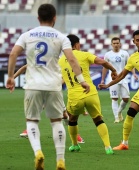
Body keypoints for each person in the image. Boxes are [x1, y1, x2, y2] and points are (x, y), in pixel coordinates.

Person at [5, 4, 90, 170]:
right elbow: (72, 60)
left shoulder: (27, 35)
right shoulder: (61, 37)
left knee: (32, 121)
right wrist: (82, 80)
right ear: (54, 18)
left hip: (33, 85)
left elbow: (13, 54)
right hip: (53, 85)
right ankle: (60, 160)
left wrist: (10, 77)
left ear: (38, 18)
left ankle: (38, 152)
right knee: (57, 121)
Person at [58, 34, 117, 155]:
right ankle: (108, 147)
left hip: (74, 96)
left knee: (72, 119)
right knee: (98, 119)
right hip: (90, 93)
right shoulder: (84, 54)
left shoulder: (61, 60)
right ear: (76, 44)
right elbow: (102, 61)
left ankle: (75, 145)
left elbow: (60, 79)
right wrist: (114, 70)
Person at [15, 64, 86, 143]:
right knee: (36, 110)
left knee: (64, 115)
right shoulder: (39, 61)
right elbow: (25, 67)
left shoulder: (57, 62)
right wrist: (13, 77)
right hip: (40, 89)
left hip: (54, 91)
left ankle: (76, 135)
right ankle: (29, 130)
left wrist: (57, 84)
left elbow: (64, 78)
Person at [101, 37, 138, 123]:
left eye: (117, 43)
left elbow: (130, 64)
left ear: (120, 44)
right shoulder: (108, 55)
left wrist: (134, 73)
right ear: (111, 44)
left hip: (123, 78)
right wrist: (103, 79)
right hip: (112, 79)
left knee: (126, 99)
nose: (116, 45)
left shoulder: (124, 53)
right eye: (114, 43)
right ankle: (116, 117)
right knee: (114, 98)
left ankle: (119, 112)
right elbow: (105, 68)